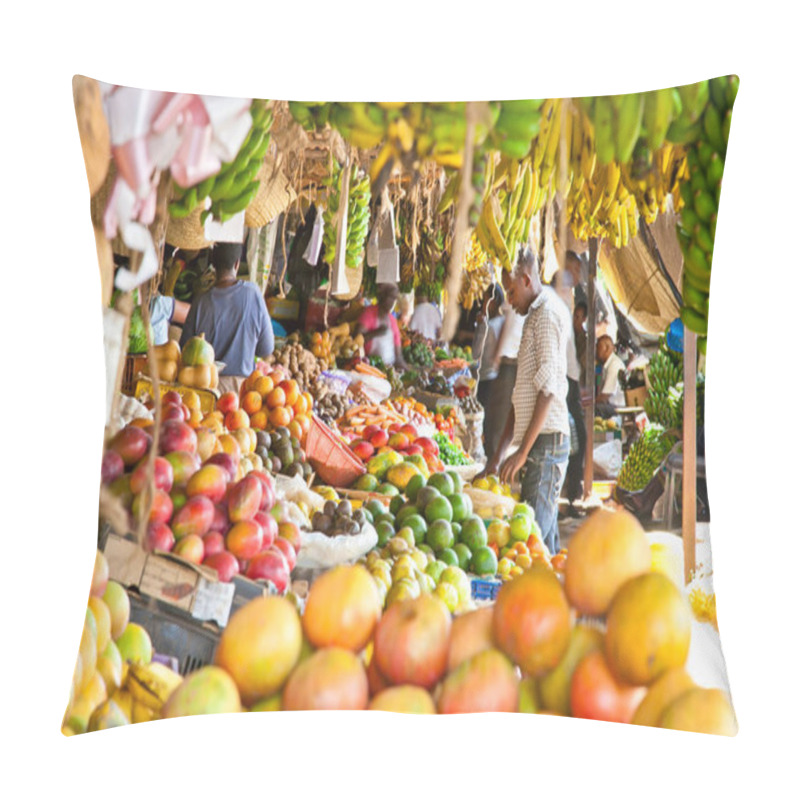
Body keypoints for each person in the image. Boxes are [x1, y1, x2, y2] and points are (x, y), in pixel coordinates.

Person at [481, 248, 571, 556]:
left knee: (529, 547)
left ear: (526, 279)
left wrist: (522, 453)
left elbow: (548, 392)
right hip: (540, 445)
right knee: (543, 543)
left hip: (546, 446)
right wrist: (500, 454)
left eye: (510, 291)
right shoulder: (534, 314)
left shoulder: (546, 316)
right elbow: (523, 396)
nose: (508, 299)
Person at [180, 242, 275, 394]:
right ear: (237, 264)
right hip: (242, 395)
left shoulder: (200, 302)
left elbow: (184, 350)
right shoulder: (253, 294)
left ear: (213, 264)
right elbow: (266, 349)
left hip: (205, 392)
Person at [484, 270, 525, 463]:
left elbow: (508, 325)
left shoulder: (515, 294)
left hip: (510, 362)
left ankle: (495, 464)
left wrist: (496, 355)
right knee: (502, 417)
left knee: (498, 419)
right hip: (514, 362)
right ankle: (497, 461)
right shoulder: (522, 294)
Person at [355, 283, 407, 368]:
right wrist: (376, 333)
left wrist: (409, 371)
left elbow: (398, 356)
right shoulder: (369, 313)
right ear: (383, 297)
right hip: (369, 366)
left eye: (394, 299)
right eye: (391, 298)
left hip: (388, 369)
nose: (393, 302)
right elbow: (356, 339)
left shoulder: (392, 320)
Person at [473, 283, 505, 415]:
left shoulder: (488, 326)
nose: (482, 304)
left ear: (493, 301)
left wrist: (480, 327)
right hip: (498, 379)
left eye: (485, 299)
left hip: (485, 379)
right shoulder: (504, 322)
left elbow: (476, 353)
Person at [596, 334, 626, 417]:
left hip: (618, 406)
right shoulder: (607, 364)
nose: (597, 352)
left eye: (599, 348)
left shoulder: (614, 365)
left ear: (606, 348)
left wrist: (591, 403)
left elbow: (605, 396)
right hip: (612, 405)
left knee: (595, 408)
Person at [573, 301, 588, 387]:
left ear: (584, 319)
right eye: (574, 316)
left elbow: (582, 366)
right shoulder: (569, 335)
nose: (574, 320)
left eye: (577, 317)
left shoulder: (586, 343)